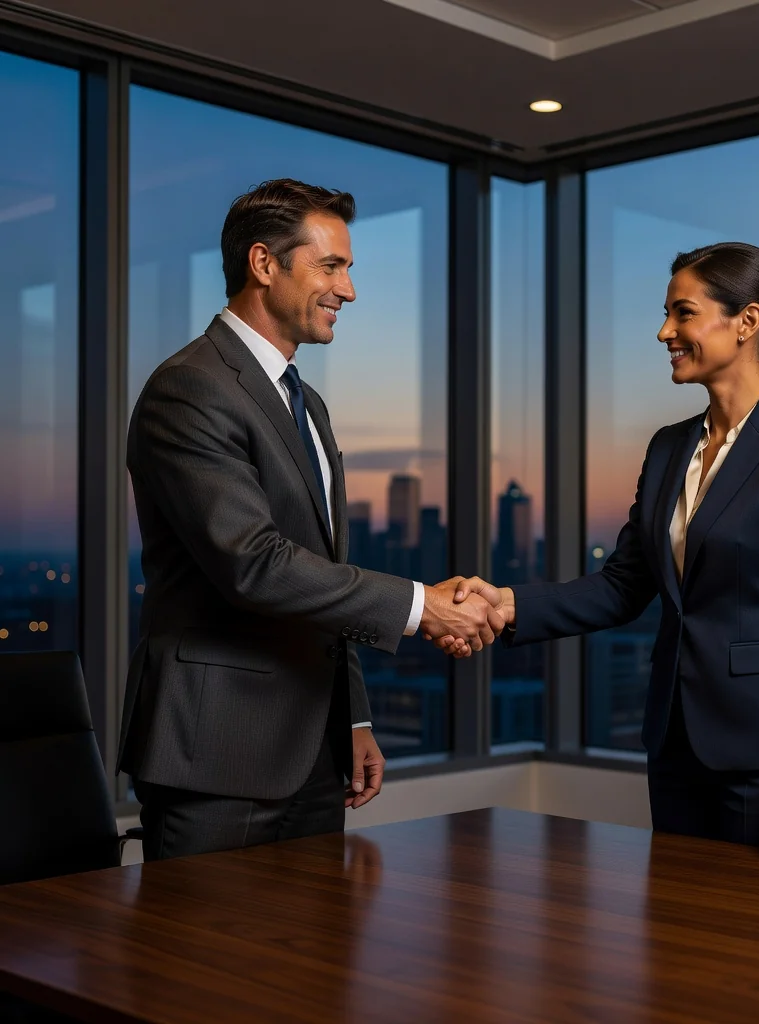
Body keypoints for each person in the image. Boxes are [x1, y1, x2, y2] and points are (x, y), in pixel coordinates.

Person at [435, 242, 759, 879]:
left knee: (756, 955)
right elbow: (624, 584)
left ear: (745, 323)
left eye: (682, 313)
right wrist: (505, 603)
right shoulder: (668, 448)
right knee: (674, 946)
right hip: (675, 745)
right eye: (667, 314)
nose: (664, 331)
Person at [117, 178, 503, 861]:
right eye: (331, 266)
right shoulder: (190, 389)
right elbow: (255, 564)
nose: (347, 290)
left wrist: (350, 716)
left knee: (313, 963)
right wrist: (422, 607)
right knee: (209, 966)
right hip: (217, 756)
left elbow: (321, 571)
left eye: (347, 269)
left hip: (314, 754)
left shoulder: (307, 403)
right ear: (264, 265)